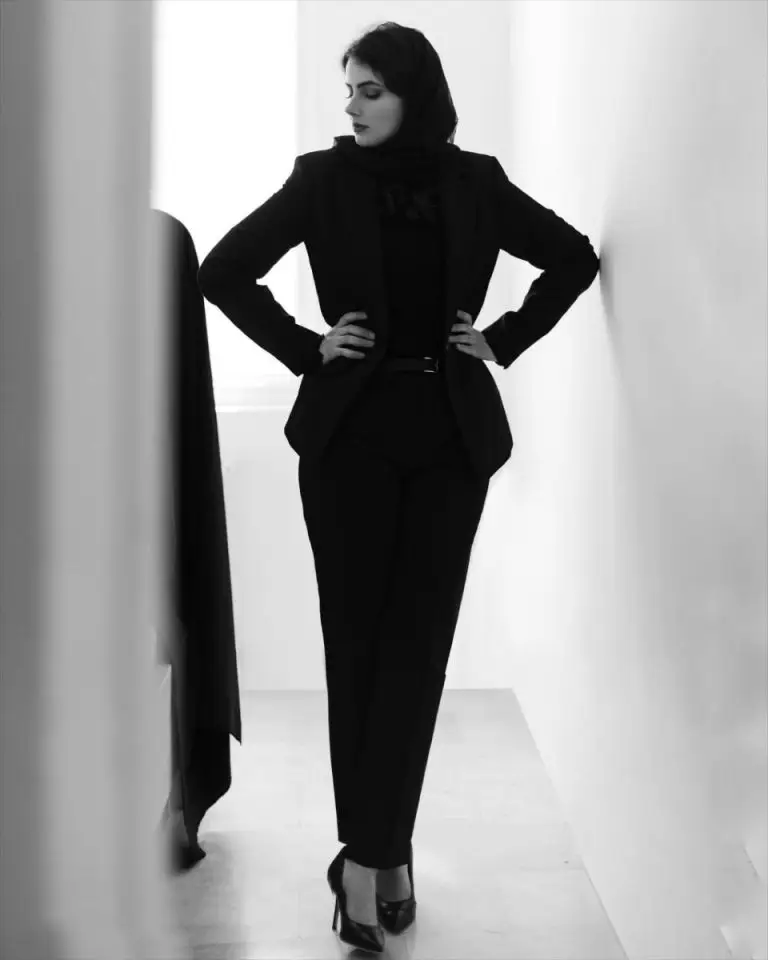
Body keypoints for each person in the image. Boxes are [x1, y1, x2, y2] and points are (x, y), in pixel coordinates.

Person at [197, 21, 600, 955]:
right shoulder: (321, 181)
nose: (351, 106)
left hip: (450, 440)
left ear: (416, 93)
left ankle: (376, 854)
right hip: (349, 440)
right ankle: (376, 861)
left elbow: (573, 257)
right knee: (360, 649)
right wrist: (307, 348)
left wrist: (503, 336)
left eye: (370, 90)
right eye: (349, 88)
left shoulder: (476, 183)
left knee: (418, 653)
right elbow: (223, 270)